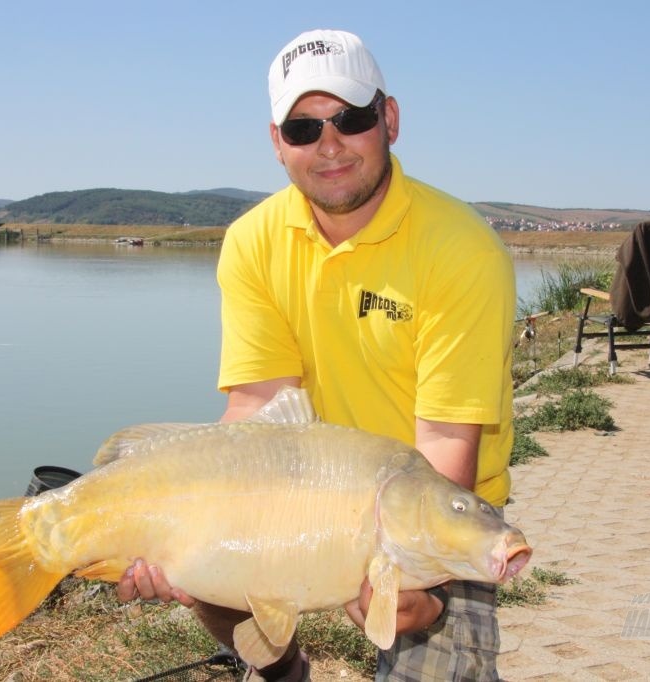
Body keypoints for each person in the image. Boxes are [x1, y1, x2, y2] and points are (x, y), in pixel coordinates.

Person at [117, 28, 516, 681]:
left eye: (351, 120)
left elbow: (447, 445)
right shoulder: (253, 242)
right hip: (302, 488)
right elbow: (257, 411)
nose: (329, 146)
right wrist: (172, 528)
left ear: (389, 119)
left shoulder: (462, 251)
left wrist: (415, 577)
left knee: (426, 635)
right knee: (208, 568)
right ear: (277, 143)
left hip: (432, 497)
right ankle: (282, 669)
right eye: (303, 130)